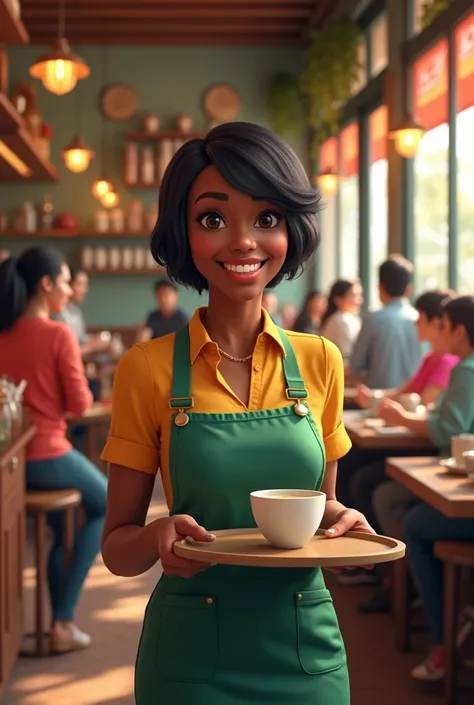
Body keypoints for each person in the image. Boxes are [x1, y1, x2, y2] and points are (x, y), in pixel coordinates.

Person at [100, 121, 375, 705]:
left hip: (304, 645)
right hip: (190, 652)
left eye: (267, 218)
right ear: (184, 231)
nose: (243, 241)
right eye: (213, 219)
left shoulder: (321, 359)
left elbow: (322, 506)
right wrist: (156, 535)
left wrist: (344, 520)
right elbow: (117, 551)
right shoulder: (145, 368)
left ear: (291, 229)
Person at [0, 247, 107, 653]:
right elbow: (80, 405)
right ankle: (62, 620)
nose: (68, 288)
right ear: (45, 285)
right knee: (107, 506)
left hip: (10, 460)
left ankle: (58, 618)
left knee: (62, 528)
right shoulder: (59, 332)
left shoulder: (3, 332)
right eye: (64, 281)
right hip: (48, 454)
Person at [379, 295, 474, 681]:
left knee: (415, 522)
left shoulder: (466, 369)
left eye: (444, 325)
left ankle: (443, 639)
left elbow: (448, 429)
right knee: (390, 496)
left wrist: (403, 415)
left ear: (458, 331)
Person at [345, 290, 458, 611]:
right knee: (355, 468)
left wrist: (396, 411)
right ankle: (380, 570)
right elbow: (405, 393)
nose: (416, 324)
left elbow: (433, 413)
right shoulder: (431, 358)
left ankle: (392, 577)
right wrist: (376, 397)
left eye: (422, 319)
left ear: (443, 325)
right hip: (422, 447)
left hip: (428, 452)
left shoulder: (455, 364)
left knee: (366, 479)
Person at [350, 255, 424, 389]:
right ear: (409, 290)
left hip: (378, 401)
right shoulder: (420, 320)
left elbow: (355, 365)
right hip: (413, 400)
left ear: (380, 287)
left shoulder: (372, 320)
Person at [52, 264, 111, 358]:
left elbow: (80, 339)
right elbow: (66, 354)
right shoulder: (57, 313)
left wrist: (97, 341)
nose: (85, 290)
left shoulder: (76, 312)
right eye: (80, 284)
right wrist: (92, 346)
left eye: (86, 285)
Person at [320, 279, 363, 364]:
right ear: (338, 299)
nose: (359, 300)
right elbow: (346, 354)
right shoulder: (339, 321)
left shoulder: (352, 319)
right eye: (353, 295)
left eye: (360, 295)